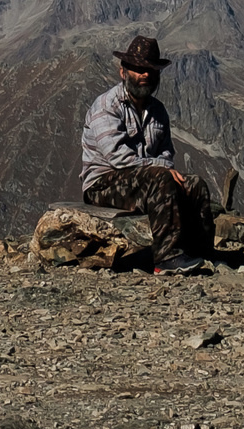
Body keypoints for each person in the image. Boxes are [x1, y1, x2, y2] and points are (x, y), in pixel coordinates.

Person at [79, 34, 215, 274]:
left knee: (195, 185)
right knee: (162, 178)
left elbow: (166, 154)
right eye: (138, 69)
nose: (145, 74)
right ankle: (166, 259)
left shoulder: (158, 111)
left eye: (151, 70)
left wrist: (161, 168)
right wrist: (159, 169)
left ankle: (201, 253)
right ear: (124, 72)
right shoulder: (106, 106)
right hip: (103, 184)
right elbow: (118, 158)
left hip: (142, 182)